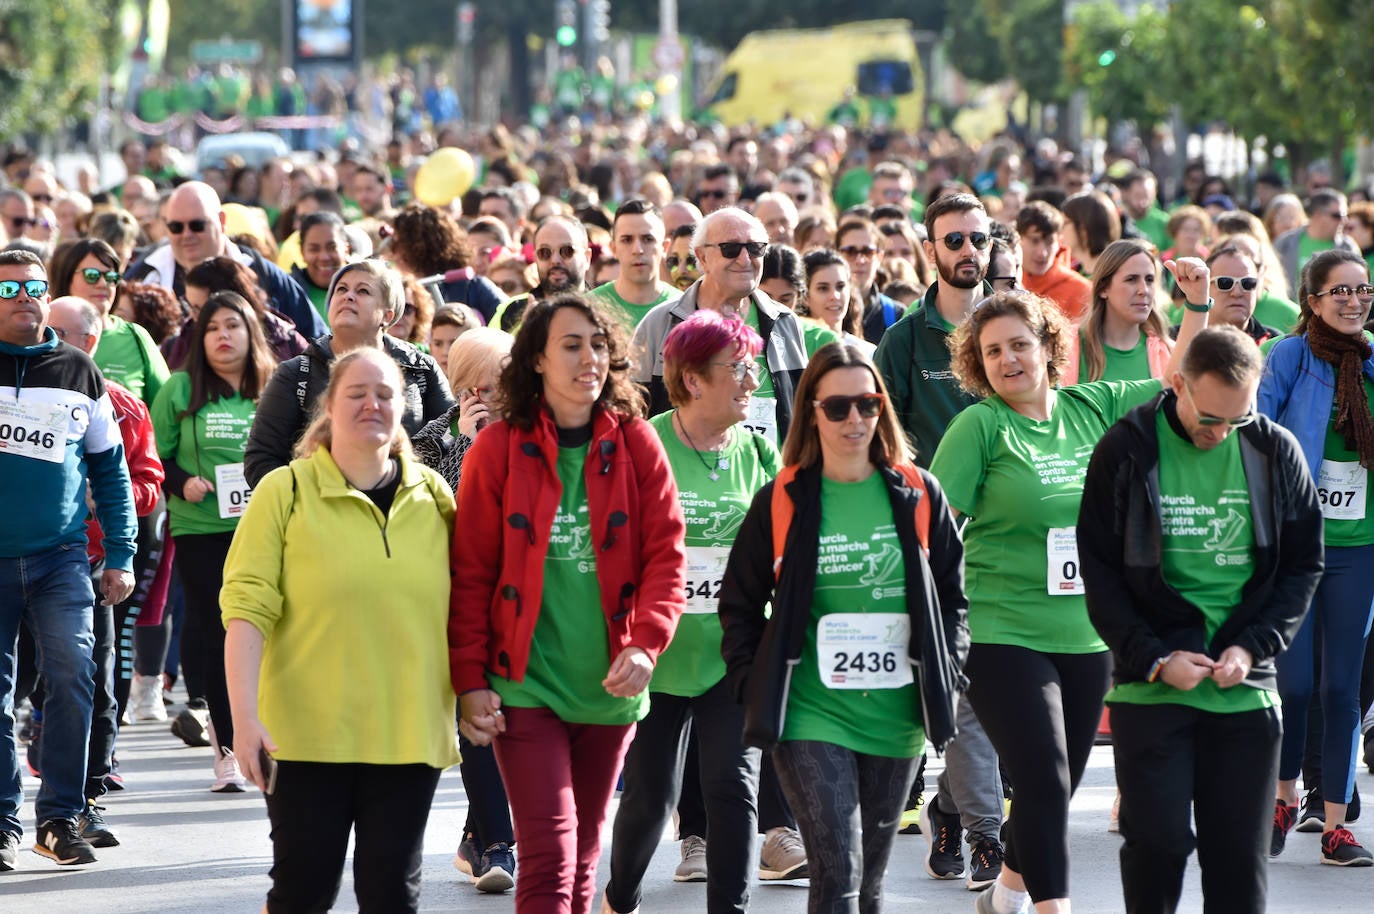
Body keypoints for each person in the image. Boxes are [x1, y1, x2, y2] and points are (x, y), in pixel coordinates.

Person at [929, 265, 1209, 914]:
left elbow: (1180, 382)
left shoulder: (1094, 407)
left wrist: (1196, 304)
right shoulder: (980, 429)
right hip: (1002, 631)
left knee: (1054, 784)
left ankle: (1005, 894)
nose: (1008, 359)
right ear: (979, 365)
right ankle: (1054, 907)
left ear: (1049, 346)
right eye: (992, 351)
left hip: (1086, 633)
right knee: (1046, 779)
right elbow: (933, 527)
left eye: (1019, 344)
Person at [451, 293, 686, 914]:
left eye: (599, 345)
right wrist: (469, 680)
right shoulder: (496, 448)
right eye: (571, 345)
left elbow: (667, 556)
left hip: (609, 688)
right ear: (536, 360)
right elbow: (470, 571)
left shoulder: (637, 443)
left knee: (583, 855)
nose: (590, 358)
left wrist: (646, 641)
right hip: (524, 686)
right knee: (550, 853)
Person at [718, 341, 968, 914]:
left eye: (868, 404)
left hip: (896, 716)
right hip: (811, 712)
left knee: (869, 885)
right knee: (839, 871)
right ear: (811, 412)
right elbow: (739, 603)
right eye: (837, 408)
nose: (855, 419)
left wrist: (948, 671)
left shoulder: (918, 493)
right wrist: (749, 681)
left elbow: (954, 596)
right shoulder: (782, 500)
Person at [1079, 326, 1323, 913]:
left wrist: (1252, 649)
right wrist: (1156, 658)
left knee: (1239, 863)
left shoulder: (1273, 449)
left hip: (1244, 692)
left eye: (1236, 420)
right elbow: (1101, 572)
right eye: (1209, 418)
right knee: (1158, 847)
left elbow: (1301, 566)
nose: (1220, 434)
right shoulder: (1127, 446)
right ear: (1177, 384)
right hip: (1151, 687)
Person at [222, 346, 461, 912]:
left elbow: (465, 611)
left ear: (403, 408)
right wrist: (244, 721)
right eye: (356, 393)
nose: (371, 404)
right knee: (305, 892)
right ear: (329, 405)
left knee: (392, 896)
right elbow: (246, 612)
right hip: (305, 738)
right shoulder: (284, 491)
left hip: (407, 734)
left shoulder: (434, 496)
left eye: (385, 394)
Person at [605, 311, 780, 914]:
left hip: (729, 656)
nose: (751, 380)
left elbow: (786, 543)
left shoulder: (759, 452)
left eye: (752, 366)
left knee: (734, 791)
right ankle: (619, 897)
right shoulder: (642, 442)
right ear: (693, 379)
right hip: (656, 657)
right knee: (651, 799)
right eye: (738, 368)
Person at [0, 249, 136, 869]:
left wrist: (121, 554)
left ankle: (58, 817)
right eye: (9, 290)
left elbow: (112, 471)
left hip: (61, 559)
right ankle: (2, 821)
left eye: (33, 287)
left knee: (75, 680)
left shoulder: (78, 370)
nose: (24, 297)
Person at [1260, 248, 1374, 865]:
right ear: (1313, 301)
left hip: (1361, 548)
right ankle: (1283, 798)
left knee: (1341, 688)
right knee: (1295, 685)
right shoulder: (1289, 357)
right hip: (1297, 548)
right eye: (1341, 292)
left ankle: (1336, 824)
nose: (1354, 301)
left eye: (1364, 290)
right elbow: (1254, 437)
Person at [44, 296, 164, 847]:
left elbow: (144, 485)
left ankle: (85, 799)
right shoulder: (17, 387)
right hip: (18, 558)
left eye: (59, 332)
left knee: (94, 683)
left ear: (89, 344)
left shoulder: (126, 408)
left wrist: (100, 503)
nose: (45, 339)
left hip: (87, 567)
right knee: (19, 687)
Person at [150, 290, 276, 791]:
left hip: (266, 528)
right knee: (224, 636)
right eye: (212, 328)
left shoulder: (275, 385)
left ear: (251, 332)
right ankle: (226, 750)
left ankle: (275, 737)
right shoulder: (180, 389)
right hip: (203, 532)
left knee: (272, 638)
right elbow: (153, 457)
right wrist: (182, 482)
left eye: (233, 325)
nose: (223, 336)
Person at [243, 259, 454, 487]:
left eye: (363, 291)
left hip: (404, 512)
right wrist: (305, 503)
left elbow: (450, 443)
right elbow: (261, 459)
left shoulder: (421, 368)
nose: (348, 296)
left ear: (387, 316)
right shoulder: (295, 374)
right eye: (341, 289)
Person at [633, 207, 811, 447]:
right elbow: (633, 414)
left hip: (771, 478)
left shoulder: (784, 322)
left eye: (755, 248)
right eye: (731, 249)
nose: (745, 259)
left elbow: (802, 413)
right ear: (702, 257)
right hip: (682, 477)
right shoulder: (661, 323)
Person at [874, 192, 992, 467]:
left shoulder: (1020, 331)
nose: (968, 250)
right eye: (953, 240)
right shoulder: (902, 340)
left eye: (978, 239)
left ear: (990, 247)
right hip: (936, 502)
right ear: (929, 251)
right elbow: (883, 436)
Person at [124, 181, 325, 341]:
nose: (186, 235)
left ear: (221, 221)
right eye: (176, 227)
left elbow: (317, 340)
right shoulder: (146, 275)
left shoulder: (260, 272)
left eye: (197, 225)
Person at [50, 238, 170, 405]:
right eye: (91, 276)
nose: (102, 284)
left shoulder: (136, 336)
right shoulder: (44, 334)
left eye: (111, 277)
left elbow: (165, 408)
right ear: (68, 277)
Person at [1062, 239, 1174, 384]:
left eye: (1149, 280)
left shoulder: (1167, 351)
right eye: (1131, 279)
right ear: (1103, 288)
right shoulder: (1066, 346)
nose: (1144, 290)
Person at [167, 256, 307, 370]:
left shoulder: (289, 342)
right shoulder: (180, 346)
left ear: (234, 302)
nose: (192, 316)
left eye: (200, 309)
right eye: (189, 306)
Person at [386, 202, 507, 323]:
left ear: (418, 248)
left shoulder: (473, 286)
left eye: (397, 244)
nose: (392, 252)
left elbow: (508, 320)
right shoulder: (402, 291)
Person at [491, 215, 593, 333]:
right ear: (536, 258)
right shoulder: (511, 310)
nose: (555, 260)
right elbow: (487, 351)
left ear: (587, 258)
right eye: (545, 252)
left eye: (567, 251)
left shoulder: (605, 310)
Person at [590, 198, 678, 329]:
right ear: (613, 249)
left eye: (648, 239)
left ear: (664, 247)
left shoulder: (682, 307)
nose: (638, 250)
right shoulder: (590, 307)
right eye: (627, 240)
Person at [1272, 189, 1360, 297]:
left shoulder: (1348, 248)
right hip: (1291, 313)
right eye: (1338, 215)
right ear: (1318, 215)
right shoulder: (1284, 243)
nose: (1345, 220)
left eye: (1346, 215)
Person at [835, 218, 904, 344]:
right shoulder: (828, 309)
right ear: (837, 255)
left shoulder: (896, 315)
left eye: (868, 252)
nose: (860, 260)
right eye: (850, 251)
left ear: (880, 257)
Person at [799, 248, 873, 357]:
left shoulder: (868, 353)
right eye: (823, 288)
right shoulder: (794, 351)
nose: (835, 296)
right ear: (805, 296)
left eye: (840, 287)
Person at [291, 211, 351, 324]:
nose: (324, 257)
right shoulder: (288, 295)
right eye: (314, 249)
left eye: (331, 247)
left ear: (346, 249)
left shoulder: (367, 291)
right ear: (302, 253)